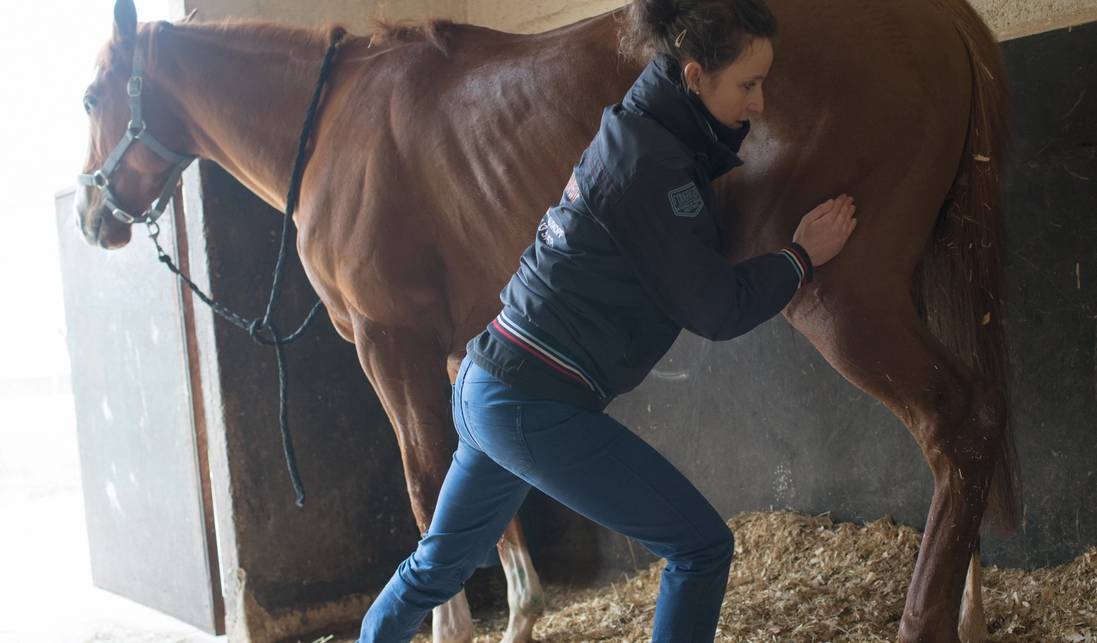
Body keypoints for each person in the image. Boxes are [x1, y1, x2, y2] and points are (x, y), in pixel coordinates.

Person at [358, 0, 856, 640]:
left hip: (489, 384)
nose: (759, 103)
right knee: (701, 548)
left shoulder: (640, 129)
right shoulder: (652, 164)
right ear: (696, 75)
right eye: (749, 85)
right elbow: (716, 308)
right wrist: (800, 257)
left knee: (435, 567)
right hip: (531, 404)